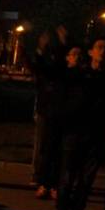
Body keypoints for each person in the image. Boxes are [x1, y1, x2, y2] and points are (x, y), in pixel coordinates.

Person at [53, 39, 105, 210]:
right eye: (99, 47)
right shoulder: (79, 74)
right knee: (68, 173)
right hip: (74, 131)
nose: (103, 51)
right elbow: (62, 90)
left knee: (86, 178)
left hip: (96, 133)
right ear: (91, 52)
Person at [30, 27, 67, 199]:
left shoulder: (63, 72)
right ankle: (41, 180)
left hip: (60, 112)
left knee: (56, 149)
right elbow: (37, 67)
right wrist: (40, 48)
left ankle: (51, 183)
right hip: (46, 111)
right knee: (44, 147)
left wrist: (63, 44)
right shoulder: (46, 72)